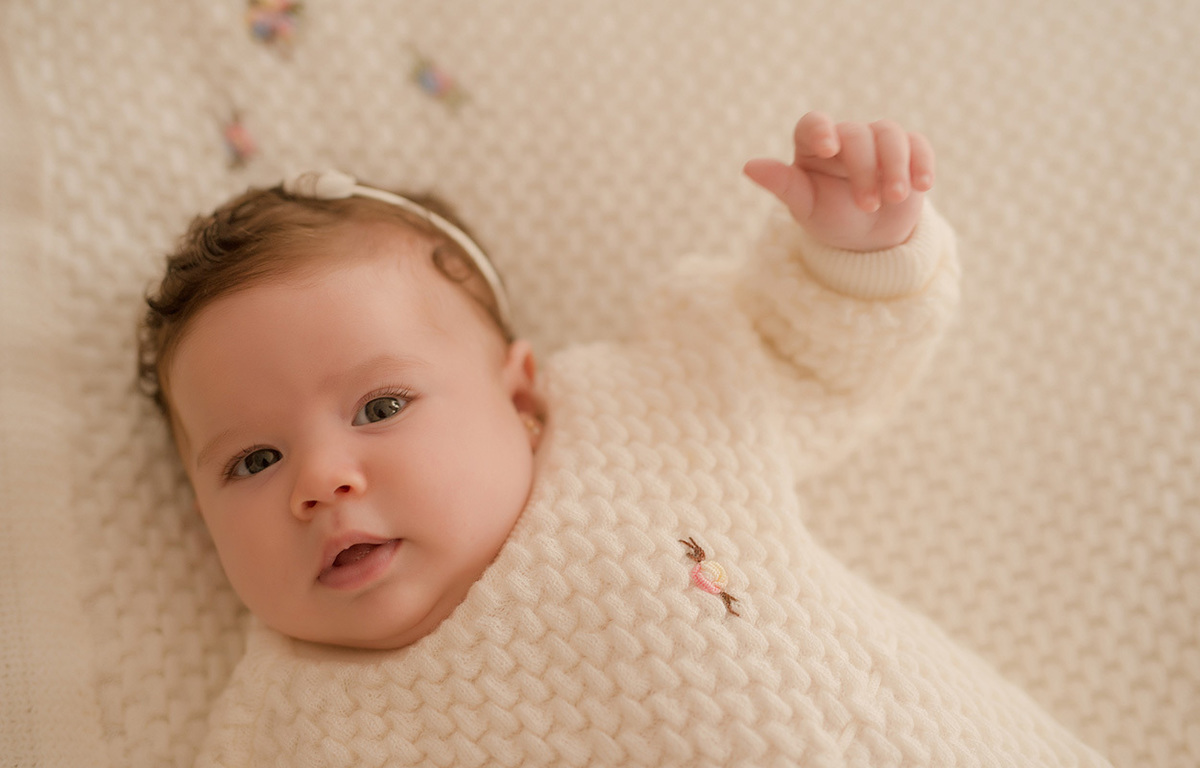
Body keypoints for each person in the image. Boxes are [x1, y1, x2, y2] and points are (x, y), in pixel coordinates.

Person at [139, 114, 1108, 765]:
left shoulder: (638, 409)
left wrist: (855, 250)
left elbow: (809, 353)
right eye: (252, 461)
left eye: (381, 407)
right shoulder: (286, 733)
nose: (320, 479)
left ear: (519, 394)